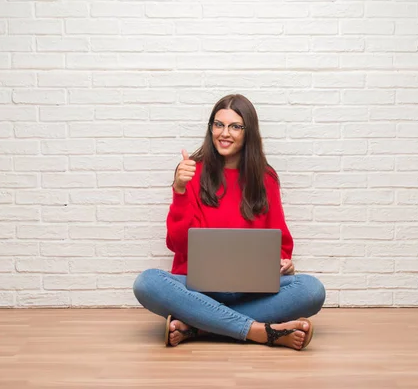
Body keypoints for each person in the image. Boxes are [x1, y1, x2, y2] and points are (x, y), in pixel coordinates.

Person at [133, 94, 326, 350]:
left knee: (312, 290)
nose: (225, 133)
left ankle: (200, 325)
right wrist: (180, 189)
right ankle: (257, 331)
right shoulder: (192, 171)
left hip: (251, 289)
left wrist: (283, 262)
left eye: (235, 126)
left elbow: (281, 242)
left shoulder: (266, 178)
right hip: (197, 287)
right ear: (211, 128)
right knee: (147, 283)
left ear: (249, 132)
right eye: (218, 124)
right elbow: (177, 244)